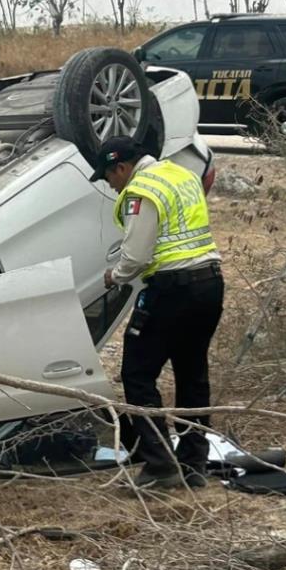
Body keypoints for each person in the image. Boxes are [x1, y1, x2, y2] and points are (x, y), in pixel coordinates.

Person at [92, 136, 223, 490]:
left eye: (108, 177)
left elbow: (136, 255)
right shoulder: (180, 175)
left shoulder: (142, 190)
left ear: (121, 167)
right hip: (210, 283)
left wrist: (114, 276)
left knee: (137, 373)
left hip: (171, 289)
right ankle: (194, 464)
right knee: (192, 372)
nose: (110, 184)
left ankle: (160, 464)